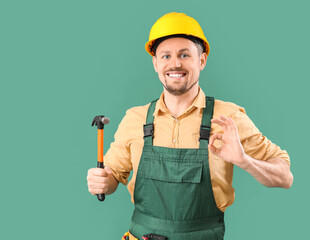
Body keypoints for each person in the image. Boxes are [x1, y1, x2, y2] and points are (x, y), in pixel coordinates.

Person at [87, 12, 293, 240]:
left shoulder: (228, 118)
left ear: (202, 60)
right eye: (165, 56)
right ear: (155, 63)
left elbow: (285, 176)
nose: (175, 63)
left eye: (185, 55)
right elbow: (114, 175)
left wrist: (245, 161)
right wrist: (104, 181)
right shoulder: (135, 119)